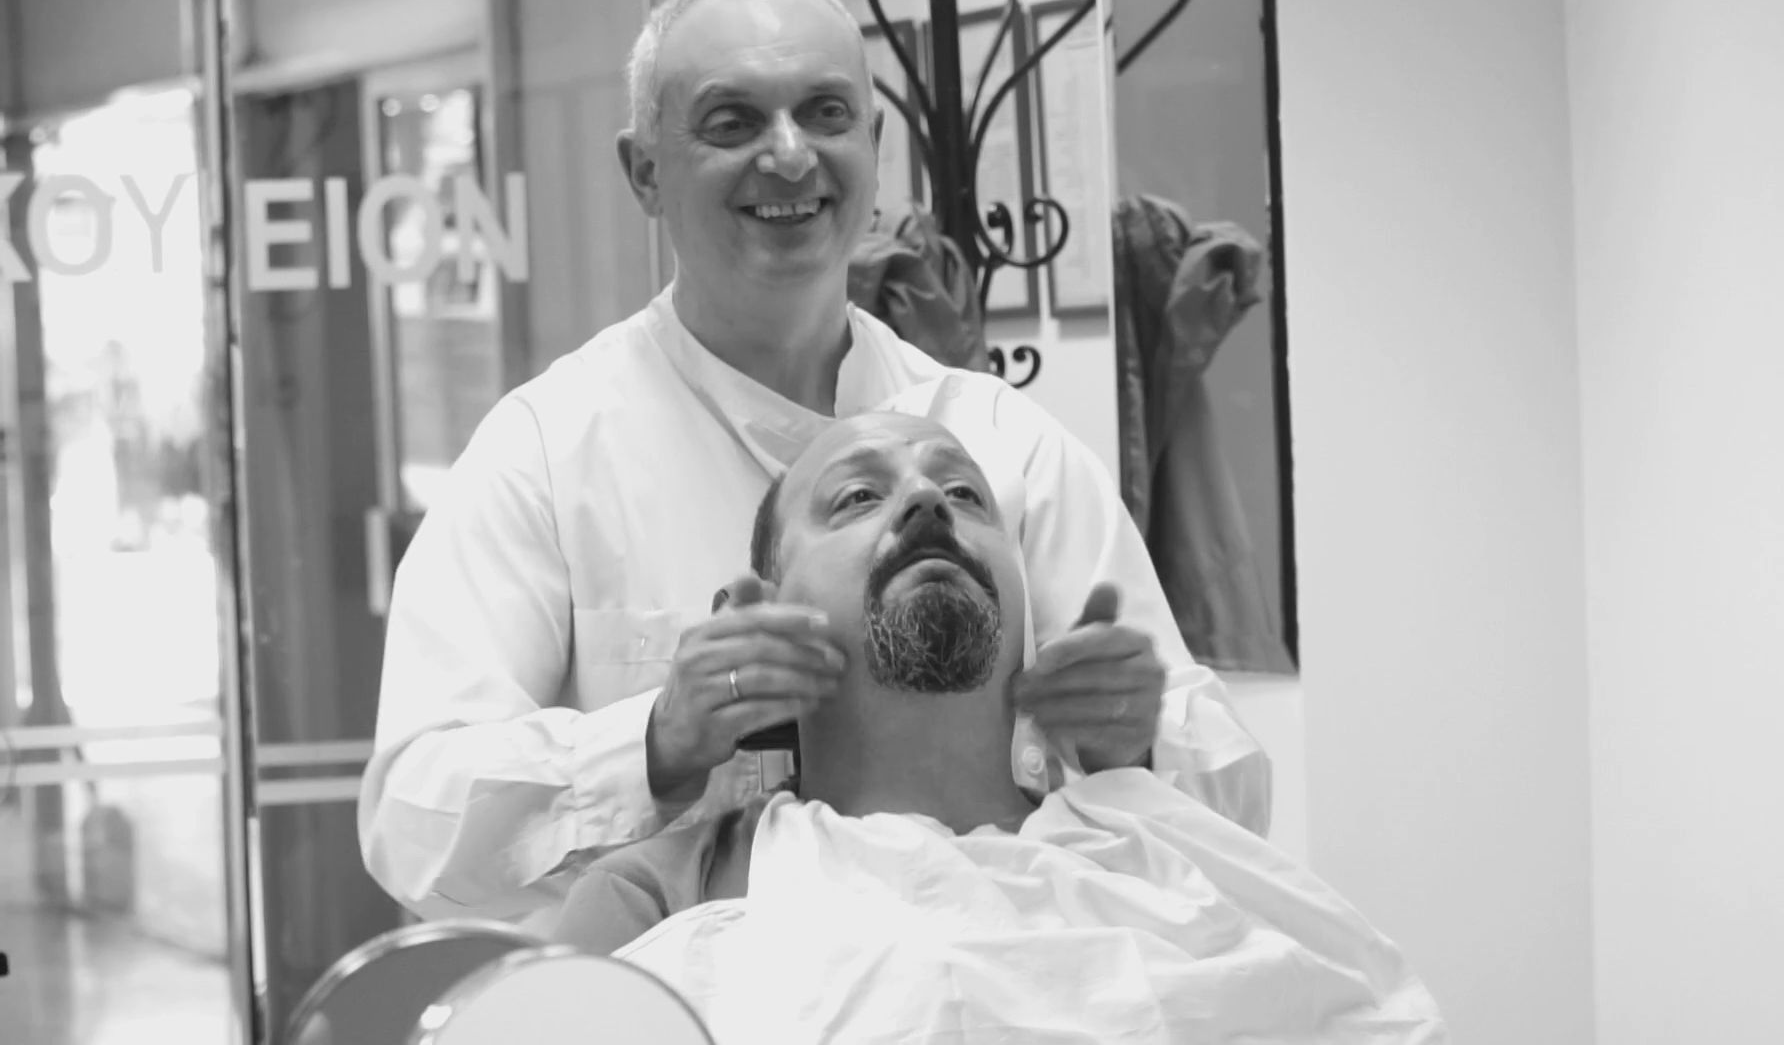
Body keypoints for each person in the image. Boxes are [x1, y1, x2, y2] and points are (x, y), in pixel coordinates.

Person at [357, 0, 1270, 931]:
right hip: (659, 995)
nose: (790, 157)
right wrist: (656, 743)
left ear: (875, 147)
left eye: (827, 114)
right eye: (733, 122)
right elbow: (414, 824)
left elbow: (1234, 813)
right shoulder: (547, 453)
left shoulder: (1001, 447)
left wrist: (1134, 742)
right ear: (645, 172)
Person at [551, 413, 1447, 1044]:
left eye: (965, 494)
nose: (927, 503)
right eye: (857, 497)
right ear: (756, 610)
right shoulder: (662, 898)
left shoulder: (1161, 868)